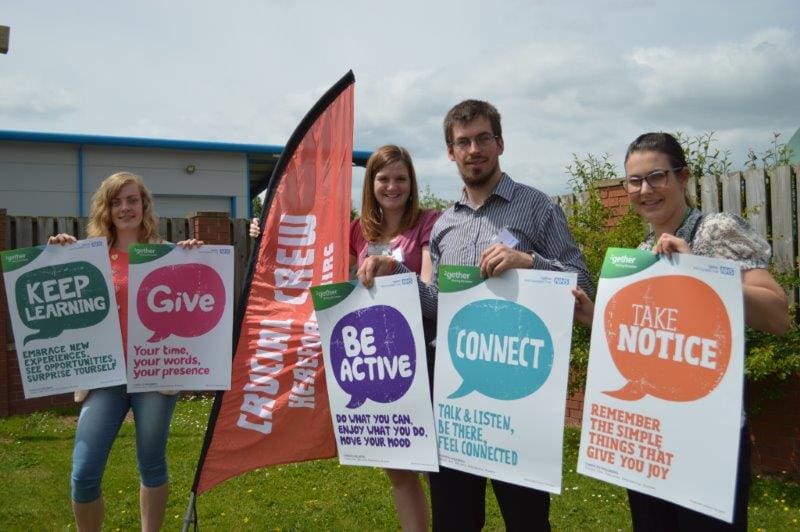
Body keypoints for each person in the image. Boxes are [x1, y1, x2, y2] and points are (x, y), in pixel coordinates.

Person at [358, 100, 593, 531]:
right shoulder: (446, 224)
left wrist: (529, 261)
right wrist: (398, 277)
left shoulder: (538, 207)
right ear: (450, 152)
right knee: (454, 519)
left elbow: (584, 285)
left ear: (499, 143)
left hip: (516, 393)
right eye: (463, 142)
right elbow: (439, 304)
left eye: (483, 138)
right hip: (456, 396)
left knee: (526, 520)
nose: (474, 149)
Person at [574, 132, 789, 530]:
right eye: (634, 181)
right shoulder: (642, 251)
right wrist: (591, 315)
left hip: (708, 438)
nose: (644, 189)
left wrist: (701, 275)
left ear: (683, 177)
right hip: (650, 435)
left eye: (656, 176)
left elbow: (777, 314)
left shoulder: (715, 230)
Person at [250, 145, 440, 531]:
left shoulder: (429, 223)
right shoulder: (358, 230)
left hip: (423, 355)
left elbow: (428, 287)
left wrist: (393, 269)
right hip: (376, 360)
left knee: (437, 471)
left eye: (400, 178)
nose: (392, 186)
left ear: (411, 183)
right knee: (398, 469)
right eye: (383, 179)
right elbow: (307, 249)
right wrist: (265, 231)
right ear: (371, 184)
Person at [48, 171, 203, 532]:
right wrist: (58, 252)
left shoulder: (166, 256)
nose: (125, 208)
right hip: (105, 376)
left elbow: (195, 302)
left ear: (144, 205)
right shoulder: (87, 257)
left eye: (132, 200)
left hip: (153, 374)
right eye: (116, 201)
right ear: (106, 209)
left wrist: (199, 258)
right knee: (83, 472)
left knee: (151, 464)